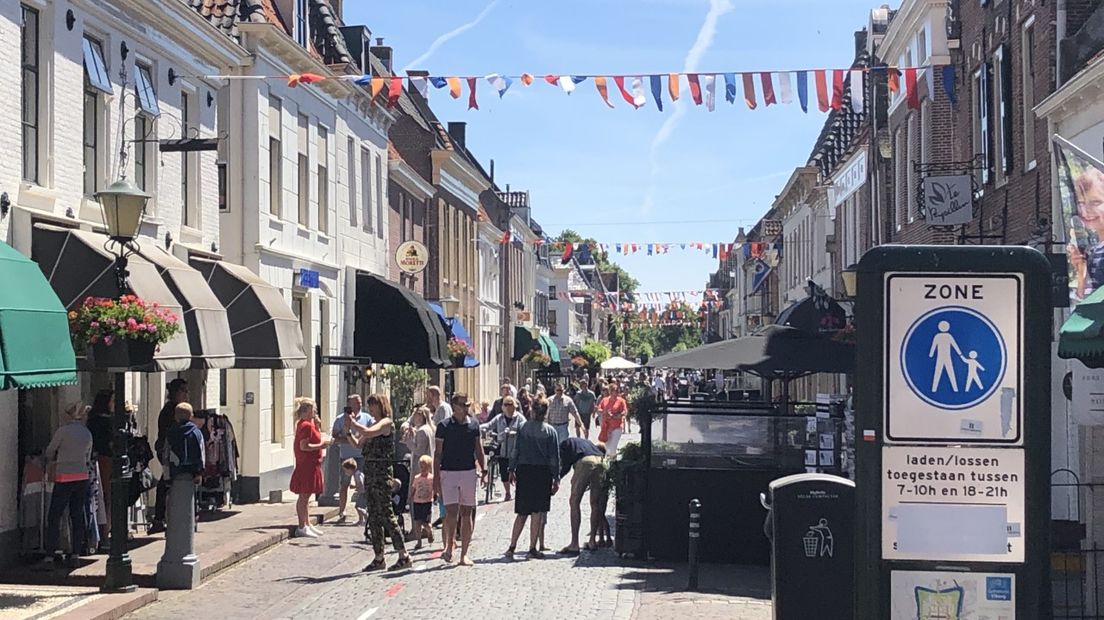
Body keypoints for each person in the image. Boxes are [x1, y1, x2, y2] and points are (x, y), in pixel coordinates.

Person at [349, 394, 413, 571]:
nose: (370, 409)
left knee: (387, 514)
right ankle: (379, 557)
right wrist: (348, 432)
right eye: (369, 406)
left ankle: (403, 554)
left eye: (373, 405)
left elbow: (369, 433)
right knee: (374, 516)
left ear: (381, 406)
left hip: (382, 473)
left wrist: (354, 424)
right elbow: (358, 444)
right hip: (370, 473)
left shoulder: (386, 423)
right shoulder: (371, 424)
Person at [433, 393, 487, 566]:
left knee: (466, 512)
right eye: (463, 404)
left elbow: (479, 449)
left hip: (468, 472)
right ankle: (449, 545)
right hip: (448, 472)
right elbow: (438, 453)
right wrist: (435, 477)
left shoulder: (474, 425)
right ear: (455, 406)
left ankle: (464, 554)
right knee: (451, 513)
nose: (466, 407)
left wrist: (484, 468)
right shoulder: (444, 426)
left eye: (467, 404)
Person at [505, 398, 560, 559]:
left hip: (525, 471)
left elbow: (516, 450)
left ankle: (512, 546)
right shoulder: (551, 432)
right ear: (546, 412)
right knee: (537, 513)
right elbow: (554, 458)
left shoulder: (522, 428)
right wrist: (556, 477)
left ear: (533, 411)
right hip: (542, 473)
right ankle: (532, 548)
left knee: (522, 512)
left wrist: (511, 469)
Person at [43, 402, 93, 567]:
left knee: (55, 515)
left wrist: (52, 460)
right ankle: (76, 553)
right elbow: (88, 456)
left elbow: (50, 450)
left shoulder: (63, 431)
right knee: (77, 515)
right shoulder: (87, 433)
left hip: (64, 476)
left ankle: (51, 553)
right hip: (82, 477)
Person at [150, 378, 188, 534]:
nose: (186, 394)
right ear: (175, 392)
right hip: (168, 451)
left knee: (167, 482)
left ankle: (161, 517)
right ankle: (162, 517)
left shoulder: (176, 409)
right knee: (168, 482)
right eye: (184, 391)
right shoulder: (170, 410)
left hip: (171, 451)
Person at [558, 437, 608, 555]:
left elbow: (565, 466)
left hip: (585, 461)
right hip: (601, 460)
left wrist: (557, 478)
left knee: (574, 502)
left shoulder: (563, 445)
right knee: (595, 503)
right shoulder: (585, 442)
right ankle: (592, 542)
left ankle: (574, 544)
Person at [289, 398, 331, 538]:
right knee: (304, 496)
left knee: (307, 497)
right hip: (307, 464)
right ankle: (302, 525)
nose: (315, 411)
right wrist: (321, 446)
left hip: (311, 464)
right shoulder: (305, 425)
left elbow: (313, 439)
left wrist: (318, 427)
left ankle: (306, 523)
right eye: (313, 409)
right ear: (307, 410)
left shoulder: (308, 424)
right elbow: (304, 446)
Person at [332, 395, 374, 524]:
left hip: (361, 456)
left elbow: (370, 434)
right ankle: (342, 511)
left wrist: (361, 440)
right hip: (346, 456)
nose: (359, 405)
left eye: (360, 402)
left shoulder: (367, 418)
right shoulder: (340, 419)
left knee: (361, 484)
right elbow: (335, 437)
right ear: (349, 404)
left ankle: (362, 511)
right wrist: (349, 439)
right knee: (344, 484)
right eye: (356, 403)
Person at [480, 395, 526, 501]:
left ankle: (519, 491)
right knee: (503, 473)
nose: (508, 407)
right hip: (502, 450)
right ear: (502, 407)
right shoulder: (499, 418)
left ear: (514, 406)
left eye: (510, 404)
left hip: (516, 450)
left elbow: (525, 429)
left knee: (518, 472)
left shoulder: (519, 418)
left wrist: (515, 433)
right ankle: (508, 492)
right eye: (505, 404)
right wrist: (478, 427)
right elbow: (489, 425)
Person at [1069, 166, 1104, 298]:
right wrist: (1081, 269)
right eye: (1081, 203)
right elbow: (1084, 299)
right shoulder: (1093, 251)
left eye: (1095, 202)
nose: (1086, 210)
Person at [85, 389, 114, 547]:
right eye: (112, 401)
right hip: (105, 460)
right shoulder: (107, 421)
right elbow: (111, 441)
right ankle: (105, 533)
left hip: (93, 460)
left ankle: (98, 532)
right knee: (106, 497)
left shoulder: (91, 419)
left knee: (97, 498)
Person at [401, 405, 435, 510]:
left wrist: (408, 442)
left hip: (419, 467)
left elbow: (419, 450)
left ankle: (417, 524)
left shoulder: (422, 431)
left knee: (416, 497)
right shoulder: (429, 429)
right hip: (427, 466)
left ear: (420, 417)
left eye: (414, 416)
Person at [409, 455, 435, 550]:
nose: (422, 469)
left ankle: (429, 531)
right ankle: (419, 541)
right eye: (421, 467)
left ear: (429, 467)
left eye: (425, 467)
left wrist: (436, 494)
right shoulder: (417, 478)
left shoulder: (431, 478)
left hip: (427, 502)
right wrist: (411, 496)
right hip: (417, 502)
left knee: (425, 522)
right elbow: (414, 488)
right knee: (417, 522)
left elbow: (434, 488)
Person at [596, 385, 628, 456]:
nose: (616, 393)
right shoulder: (605, 400)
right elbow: (599, 409)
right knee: (606, 447)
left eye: (617, 391)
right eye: (614, 391)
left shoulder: (621, 401)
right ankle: (608, 463)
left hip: (617, 427)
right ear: (610, 392)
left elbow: (625, 411)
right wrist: (604, 411)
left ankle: (613, 464)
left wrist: (617, 415)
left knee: (612, 448)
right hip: (606, 427)